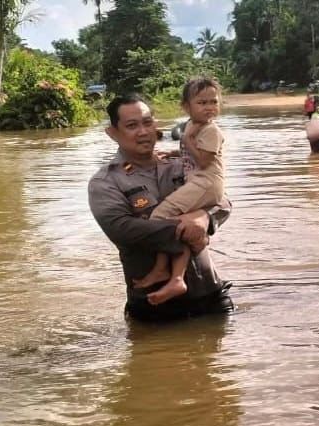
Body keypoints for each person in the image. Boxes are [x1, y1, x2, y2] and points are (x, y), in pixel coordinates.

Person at [88, 93, 234, 321]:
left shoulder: (182, 164)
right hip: (154, 305)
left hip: (210, 295)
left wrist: (205, 218)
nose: (143, 131)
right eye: (132, 125)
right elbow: (122, 229)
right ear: (112, 133)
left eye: (147, 122)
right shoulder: (105, 182)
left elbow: (222, 200)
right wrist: (183, 228)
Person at [131, 77, 227, 306]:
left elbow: (203, 160)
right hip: (199, 183)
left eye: (213, 102)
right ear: (187, 106)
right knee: (176, 224)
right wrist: (174, 152)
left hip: (206, 183)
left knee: (158, 217)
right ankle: (175, 277)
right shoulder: (193, 126)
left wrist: (186, 138)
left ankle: (162, 269)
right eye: (202, 102)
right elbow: (190, 153)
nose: (209, 107)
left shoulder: (210, 130)